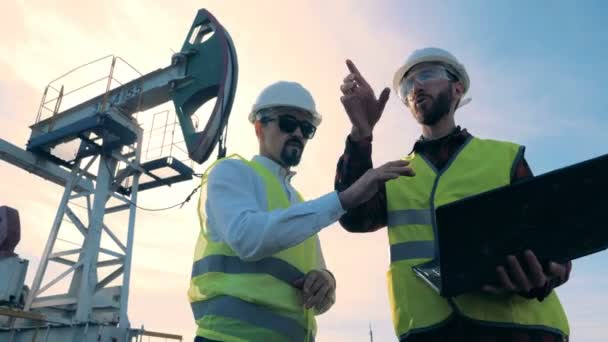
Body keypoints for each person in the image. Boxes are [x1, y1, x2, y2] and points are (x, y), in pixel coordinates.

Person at [335, 47, 572, 341]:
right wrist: (361, 133)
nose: (416, 87)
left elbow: (555, 244)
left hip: (516, 330)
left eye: (427, 75)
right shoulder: (394, 176)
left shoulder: (504, 158)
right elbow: (353, 216)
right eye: (408, 85)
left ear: (457, 88)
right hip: (430, 333)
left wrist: (544, 274)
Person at [188, 81, 413, 342]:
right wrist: (344, 199)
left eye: (307, 128)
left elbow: (320, 296)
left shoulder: (299, 203)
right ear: (259, 127)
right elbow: (247, 238)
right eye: (287, 123)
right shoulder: (231, 172)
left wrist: (326, 282)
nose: (298, 133)